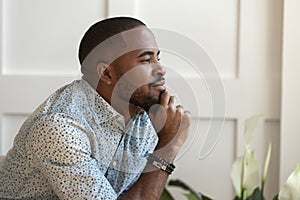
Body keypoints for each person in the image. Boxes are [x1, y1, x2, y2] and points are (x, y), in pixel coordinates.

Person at [0, 17, 191, 199]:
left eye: (158, 58)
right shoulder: (60, 128)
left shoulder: (145, 112)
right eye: (146, 60)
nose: (161, 69)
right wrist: (167, 146)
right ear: (107, 74)